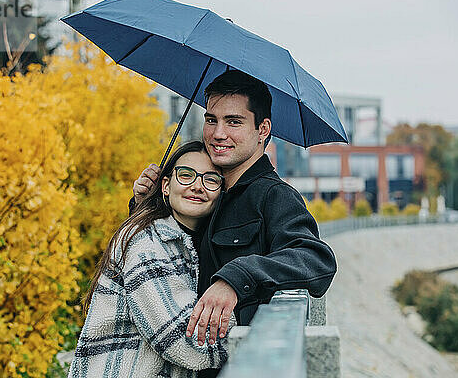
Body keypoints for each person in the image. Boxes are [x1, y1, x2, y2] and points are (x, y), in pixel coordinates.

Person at [132, 70, 337, 377]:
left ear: (263, 129)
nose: (217, 133)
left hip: (248, 366)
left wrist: (235, 279)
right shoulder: (210, 190)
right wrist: (145, 203)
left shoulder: (274, 196)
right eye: (211, 119)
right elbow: (171, 250)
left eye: (234, 122)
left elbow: (316, 260)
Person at [69, 141, 235, 378]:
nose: (198, 186)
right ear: (165, 186)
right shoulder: (146, 243)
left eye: (210, 179)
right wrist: (250, 333)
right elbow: (180, 339)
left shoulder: (189, 244)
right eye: (186, 175)